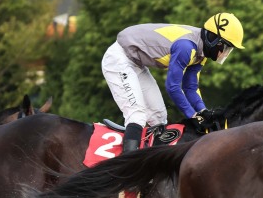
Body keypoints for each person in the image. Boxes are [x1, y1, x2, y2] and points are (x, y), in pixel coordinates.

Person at [102, 13, 245, 152]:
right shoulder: (186, 47)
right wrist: (191, 115)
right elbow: (173, 87)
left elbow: (190, 87)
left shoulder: (201, 53)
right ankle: (127, 166)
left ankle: (148, 160)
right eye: (226, 48)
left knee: (159, 117)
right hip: (119, 58)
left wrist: (203, 111)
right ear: (214, 40)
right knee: (137, 115)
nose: (225, 53)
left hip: (137, 64)